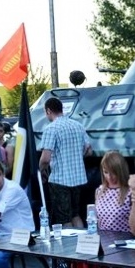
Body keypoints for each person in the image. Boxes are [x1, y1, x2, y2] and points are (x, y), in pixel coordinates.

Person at [73, 151, 134, 268]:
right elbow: (96, 220)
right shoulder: (100, 190)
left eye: (113, 172)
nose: (110, 177)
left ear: (121, 170)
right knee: (76, 263)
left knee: (92, 265)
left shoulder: (130, 192)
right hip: (102, 240)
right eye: (106, 172)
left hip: (123, 242)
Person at [38, 97, 92, 227]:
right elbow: (89, 151)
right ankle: (82, 238)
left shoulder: (51, 129)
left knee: (64, 219)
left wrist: (41, 171)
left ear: (48, 111)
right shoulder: (78, 126)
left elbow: (45, 158)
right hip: (78, 178)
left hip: (60, 180)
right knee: (75, 214)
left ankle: (68, 240)